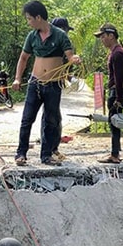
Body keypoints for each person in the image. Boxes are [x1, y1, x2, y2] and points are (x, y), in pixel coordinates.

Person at [12, 0, 81, 167]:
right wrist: (17, 78)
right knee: (27, 119)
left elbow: (70, 56)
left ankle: (46, 155)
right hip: (35, 83)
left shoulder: (59, 35)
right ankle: (21, 153)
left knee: (50, 120)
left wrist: (74, 59)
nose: (28, 22)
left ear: (38, 17)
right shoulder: (32, 36)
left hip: (53, 85)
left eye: (29, 18)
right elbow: (23, 58)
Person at [94, 23, 123, 164]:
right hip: (116, 91)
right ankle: (115, 152)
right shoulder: (116, 52)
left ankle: (114, 155)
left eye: (103, 36)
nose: (102, 39)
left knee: (114, 123)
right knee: (114, 123)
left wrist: (118, 98)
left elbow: (119, 78)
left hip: (117, 92)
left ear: (111, 36)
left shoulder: (118, 54)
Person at [48, 16, 75, 161]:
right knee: (50, 118)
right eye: (66, 30)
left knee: (55, 118)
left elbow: (64, 68)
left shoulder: (62, 45)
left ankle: (53, 148)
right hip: (47, 85)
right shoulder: (49, 44)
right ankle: (49, 151)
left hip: (56, 85)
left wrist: (70, 77)